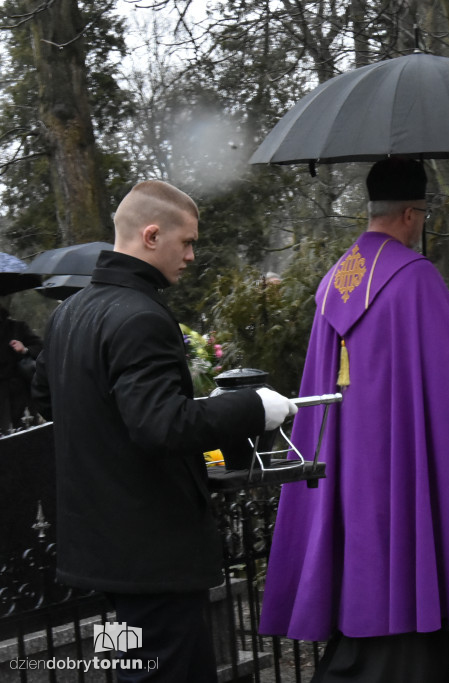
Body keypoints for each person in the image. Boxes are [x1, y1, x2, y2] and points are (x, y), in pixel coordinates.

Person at [31, 180, 297, 682]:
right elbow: (161, 426)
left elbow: (51, 399)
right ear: (151, 236)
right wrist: (252, 407)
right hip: (149, 553)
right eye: (188, 241)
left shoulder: (70, 312)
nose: (192, 255)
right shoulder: (139, 316)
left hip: (102, 552)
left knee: (148, 666)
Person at [259, 157, 449, 683]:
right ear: (412, 214)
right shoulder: (416, 280)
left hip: (345, 459)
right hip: (403, 459)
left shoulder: (330, 285)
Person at [1, 304, 42, 432]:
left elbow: (40, 347)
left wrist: (25, 349)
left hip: (21, 393)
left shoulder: (17, 327)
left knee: (28, 434)